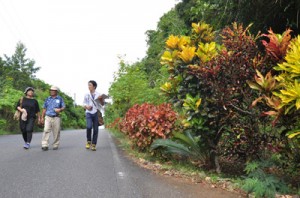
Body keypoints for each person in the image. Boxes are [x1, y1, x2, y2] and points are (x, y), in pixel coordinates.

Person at [40, 86, 65, 151]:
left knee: (56, 132)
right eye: (51, 90)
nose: (52, 91)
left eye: (53, 90)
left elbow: (63, 107)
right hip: (48, 117)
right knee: (46, 130)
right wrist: (42, 117)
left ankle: (55, 144)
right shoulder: (47, 98)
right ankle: (44, 145)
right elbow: (44, 108)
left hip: (56, 117)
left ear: (56, 91)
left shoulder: (60, 99)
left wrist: (60, 109)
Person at [83, 80, 104, 151]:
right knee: (89, 127)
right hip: (88, 112)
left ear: (94, 86)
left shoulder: (99, 94)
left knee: (96, 129)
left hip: (96, 113)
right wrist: (87, 107)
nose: (88, 86)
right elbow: (84, 103)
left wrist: (101, 100)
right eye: (88, 85)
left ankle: (94, 144)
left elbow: (102, 104)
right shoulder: (86, 94)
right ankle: (89, 141)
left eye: (90, 85)